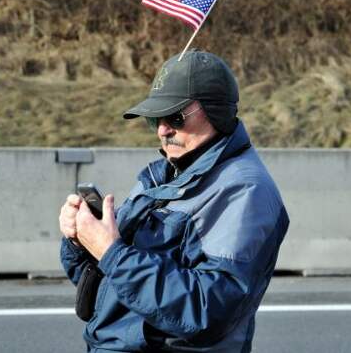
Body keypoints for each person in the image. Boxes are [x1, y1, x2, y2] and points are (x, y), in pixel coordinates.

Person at [59, 50, 289, 352]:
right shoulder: (163, 177)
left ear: (217, 112)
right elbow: (107, 291)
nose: (162, 130)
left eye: (175, 117)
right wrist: (81, 241)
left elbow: (207, 310)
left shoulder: (244, 190)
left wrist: (111, 253)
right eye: (155, 118)